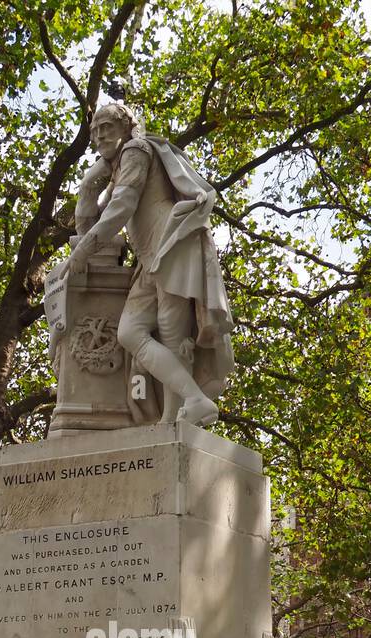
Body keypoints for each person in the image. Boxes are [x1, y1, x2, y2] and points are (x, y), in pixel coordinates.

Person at [59, 102, 234, 427]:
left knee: (171, 335)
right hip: (150, 259)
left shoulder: (136, 151)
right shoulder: (118, 166)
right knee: (131, 332)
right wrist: (88, 182)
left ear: (126, 128)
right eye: (95, 131)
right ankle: (191, 402)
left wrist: (82, 251)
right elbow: (89, 221)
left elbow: (121, 207)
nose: (99, 136)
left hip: (171, 246)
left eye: (107, 128)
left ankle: (176, 416)